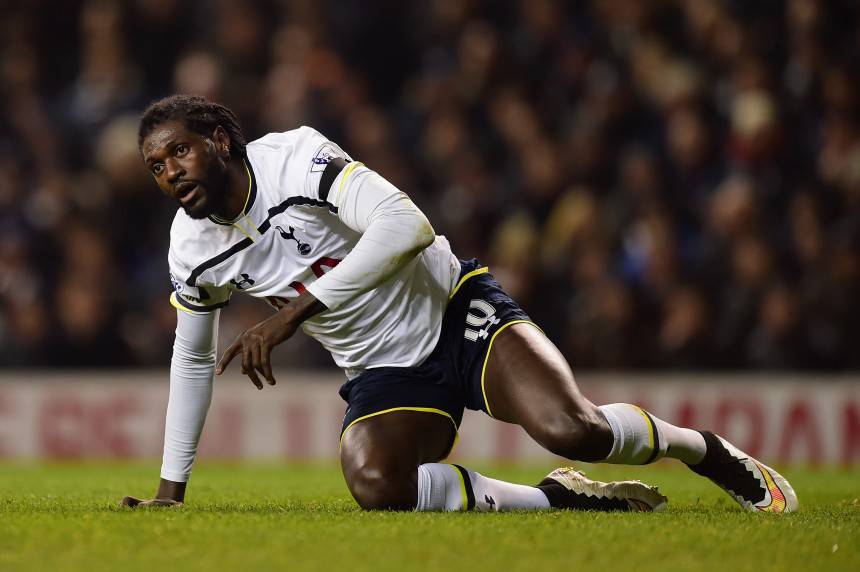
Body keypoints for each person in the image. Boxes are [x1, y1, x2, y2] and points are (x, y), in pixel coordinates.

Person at [121, 95, 797, 513]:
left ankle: (704, 450)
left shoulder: (295, 160)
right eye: (155, 166)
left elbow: (405, 223)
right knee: (377, 484)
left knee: (575, 430)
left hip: (454, 311)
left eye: (178, 151)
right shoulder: (192, 249)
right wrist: (169, 490)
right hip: (384, 374)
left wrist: (296, 311)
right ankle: (556, 500)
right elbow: (191, 355)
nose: (170, 172)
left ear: (218, 141)